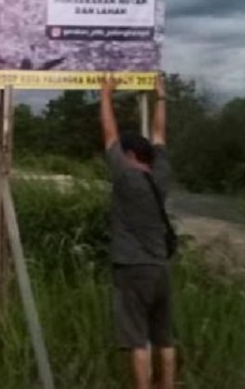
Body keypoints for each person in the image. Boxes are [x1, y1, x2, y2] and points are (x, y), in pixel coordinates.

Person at [99, 74, 176, 389]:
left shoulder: (125, 176)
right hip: (160, 268)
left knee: (137, 340)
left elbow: (109, 133)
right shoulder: (161, 175)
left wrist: (105, 95)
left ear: (130, 156)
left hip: (132, 268)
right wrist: (161, 97)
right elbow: (159, 134)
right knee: (165, 337)